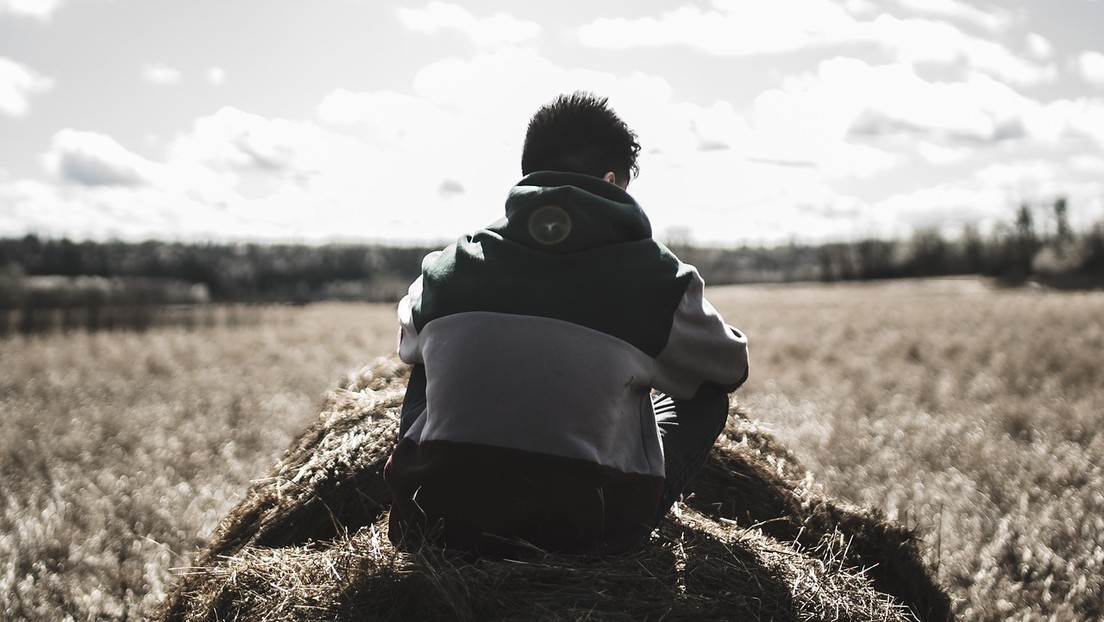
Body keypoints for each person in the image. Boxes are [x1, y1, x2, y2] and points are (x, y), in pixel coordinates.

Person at [383, 91, 749, 556]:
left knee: (427, 361)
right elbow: (729, 368)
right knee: (706, 398)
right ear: (612, 182)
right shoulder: (659, 278)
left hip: (434, 526)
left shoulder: (444, 268)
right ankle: (615, 513)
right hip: (587, 531)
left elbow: (406, 343)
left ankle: (431, 497)